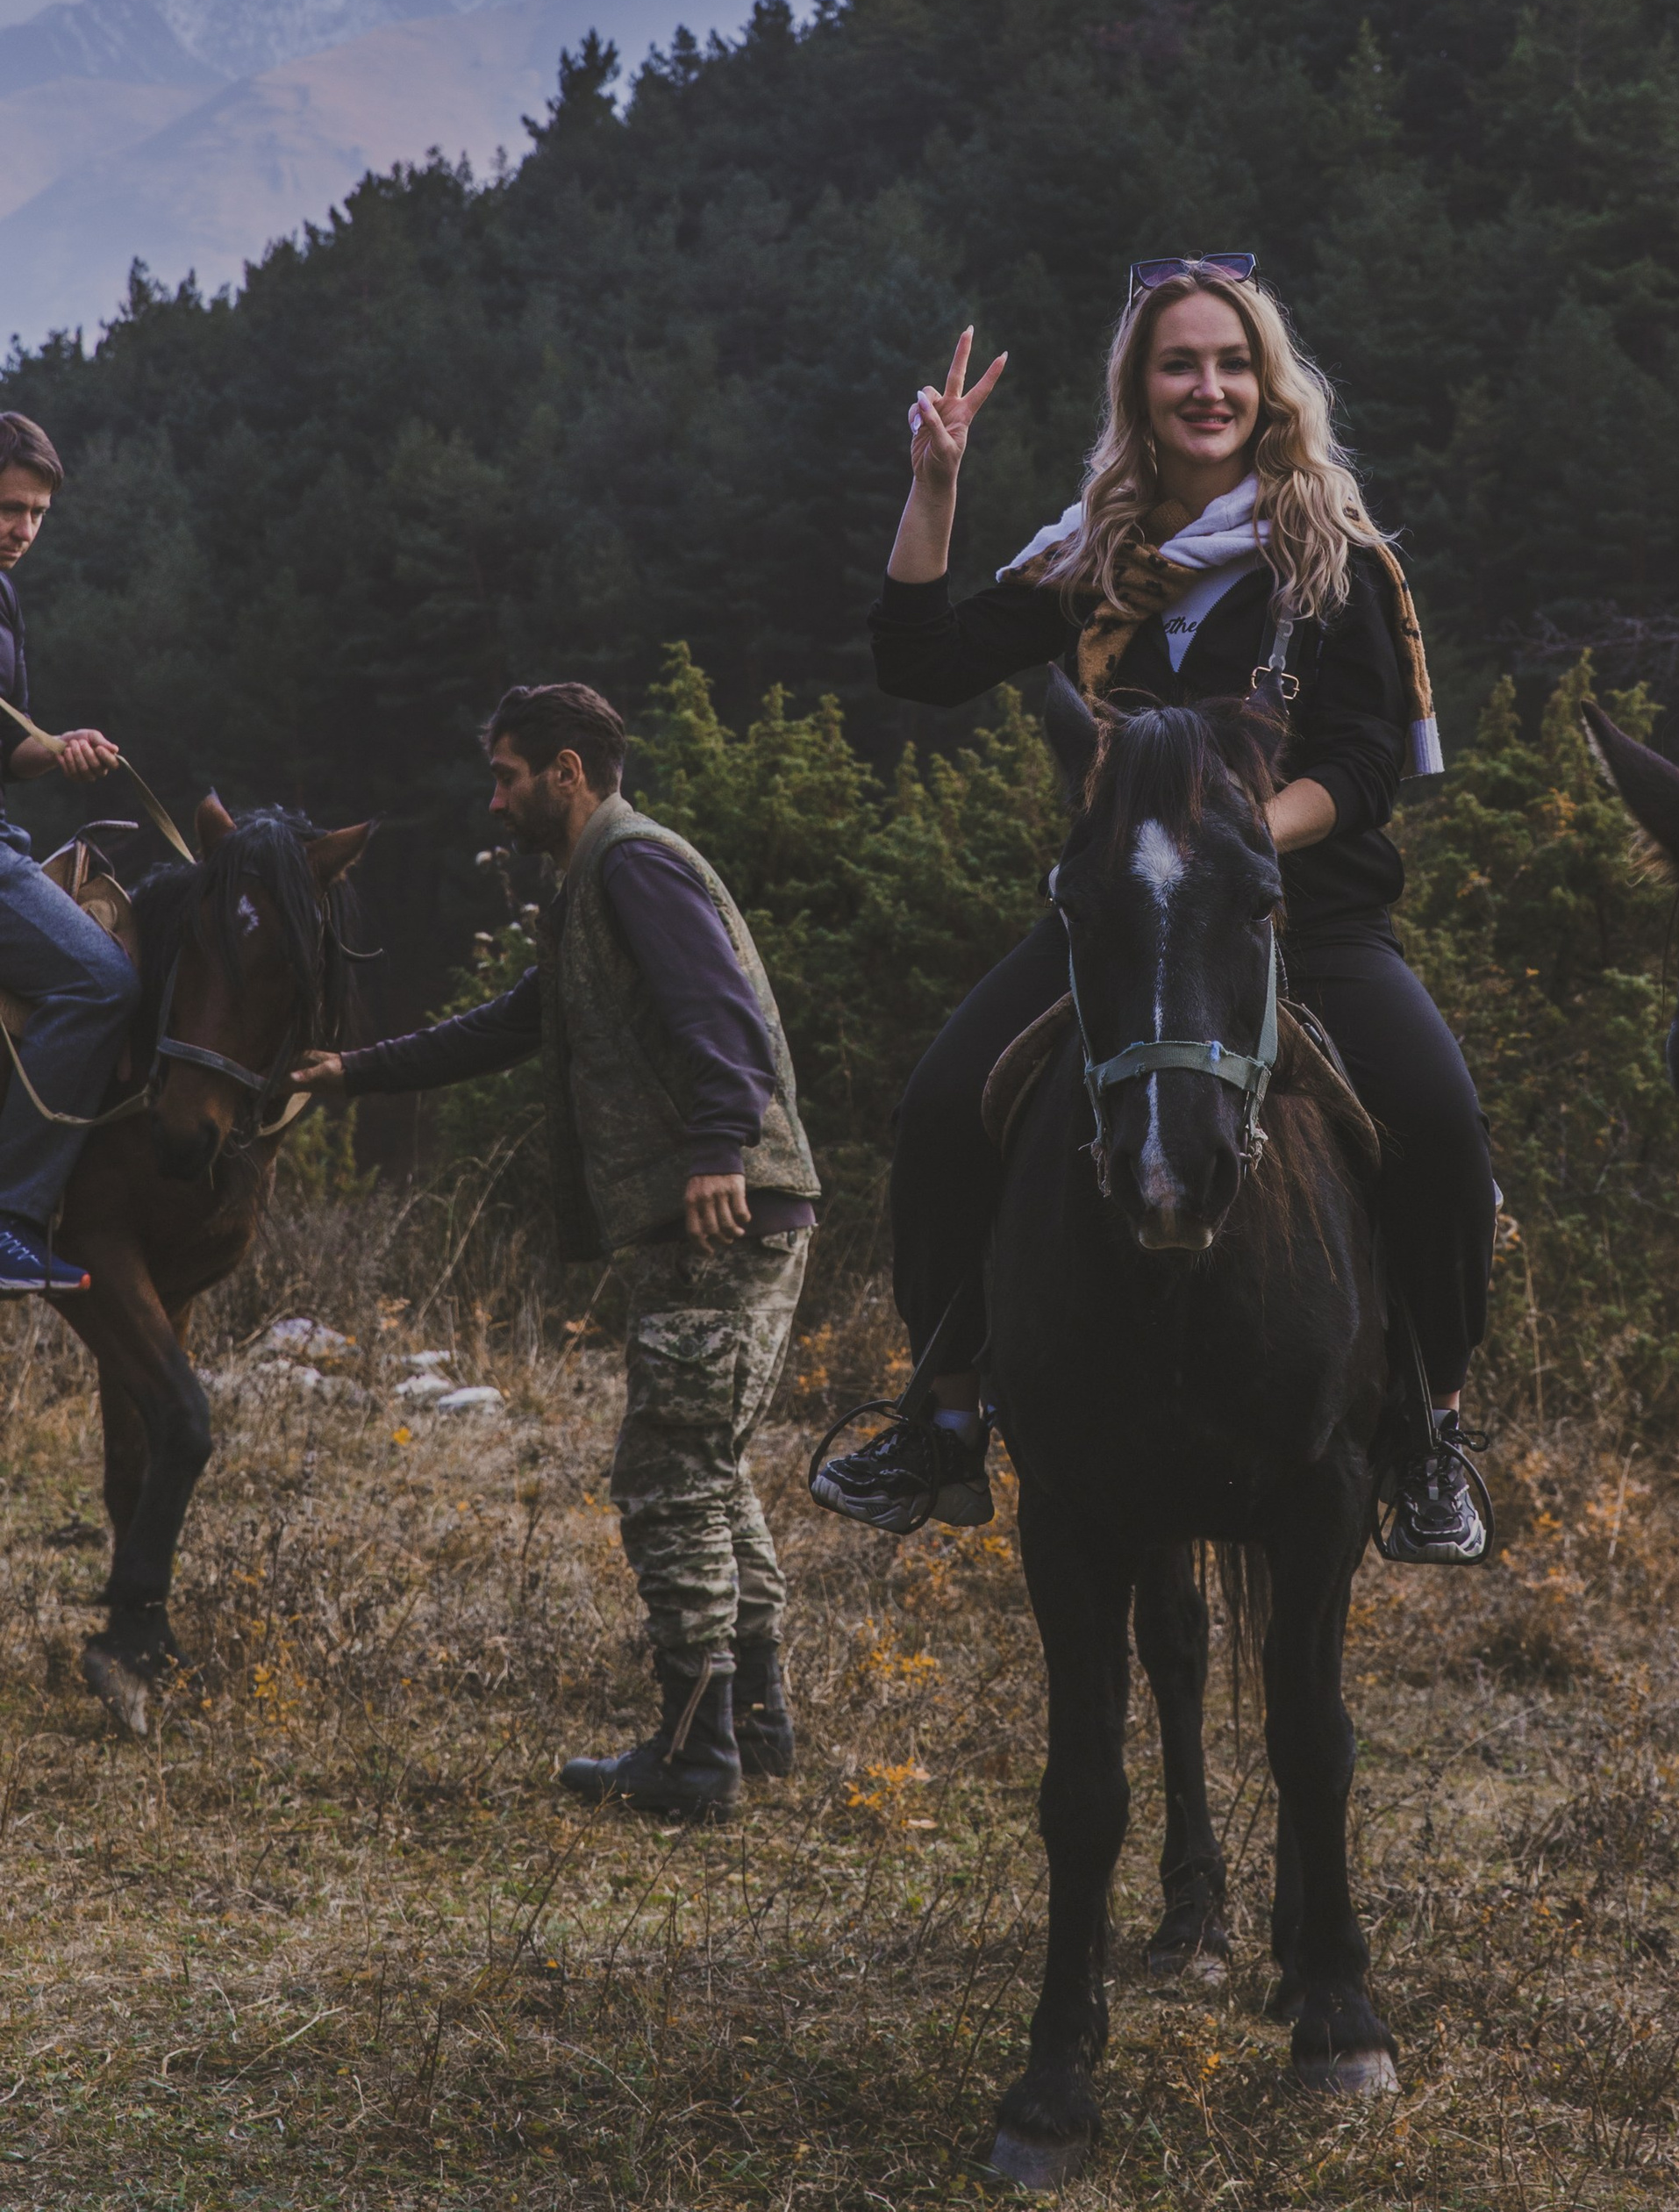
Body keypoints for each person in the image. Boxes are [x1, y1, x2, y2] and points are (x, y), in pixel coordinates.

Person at [811, 256, 1501, 1563]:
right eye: (1181, 364)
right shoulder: (1090, 558)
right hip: (1119, 932)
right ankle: (944, 1417)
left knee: (1440, 1121)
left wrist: (1231, 838)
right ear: (1139, 388)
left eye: (1234, 363)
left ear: (1270, 384)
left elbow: (1360, 771)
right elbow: (920, 664)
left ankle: (1431, 1430)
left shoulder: (1330, 557)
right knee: (942, 1109)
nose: (1211, 387)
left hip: (1305, 926)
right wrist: (936, 486)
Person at [294, 679, 820, 1820]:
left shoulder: (633, 865)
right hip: (723, 1215)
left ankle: (696, 1758)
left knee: (666, 1475)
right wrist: (355, 1073)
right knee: (707, 1465)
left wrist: (719, 1147)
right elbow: (516, 1021)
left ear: (567, 773)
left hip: (718, 1216)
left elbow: (716, 1008)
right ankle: (759, 1721)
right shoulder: (595, 887)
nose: (495, 801)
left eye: (507, 776)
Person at [0, 412, 137, 1298]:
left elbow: (5, 751)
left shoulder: (4, 598)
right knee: (102, 981)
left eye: (39, 514)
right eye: (10, 507)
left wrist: (57, 748)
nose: (23, 530)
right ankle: (10, 1216)